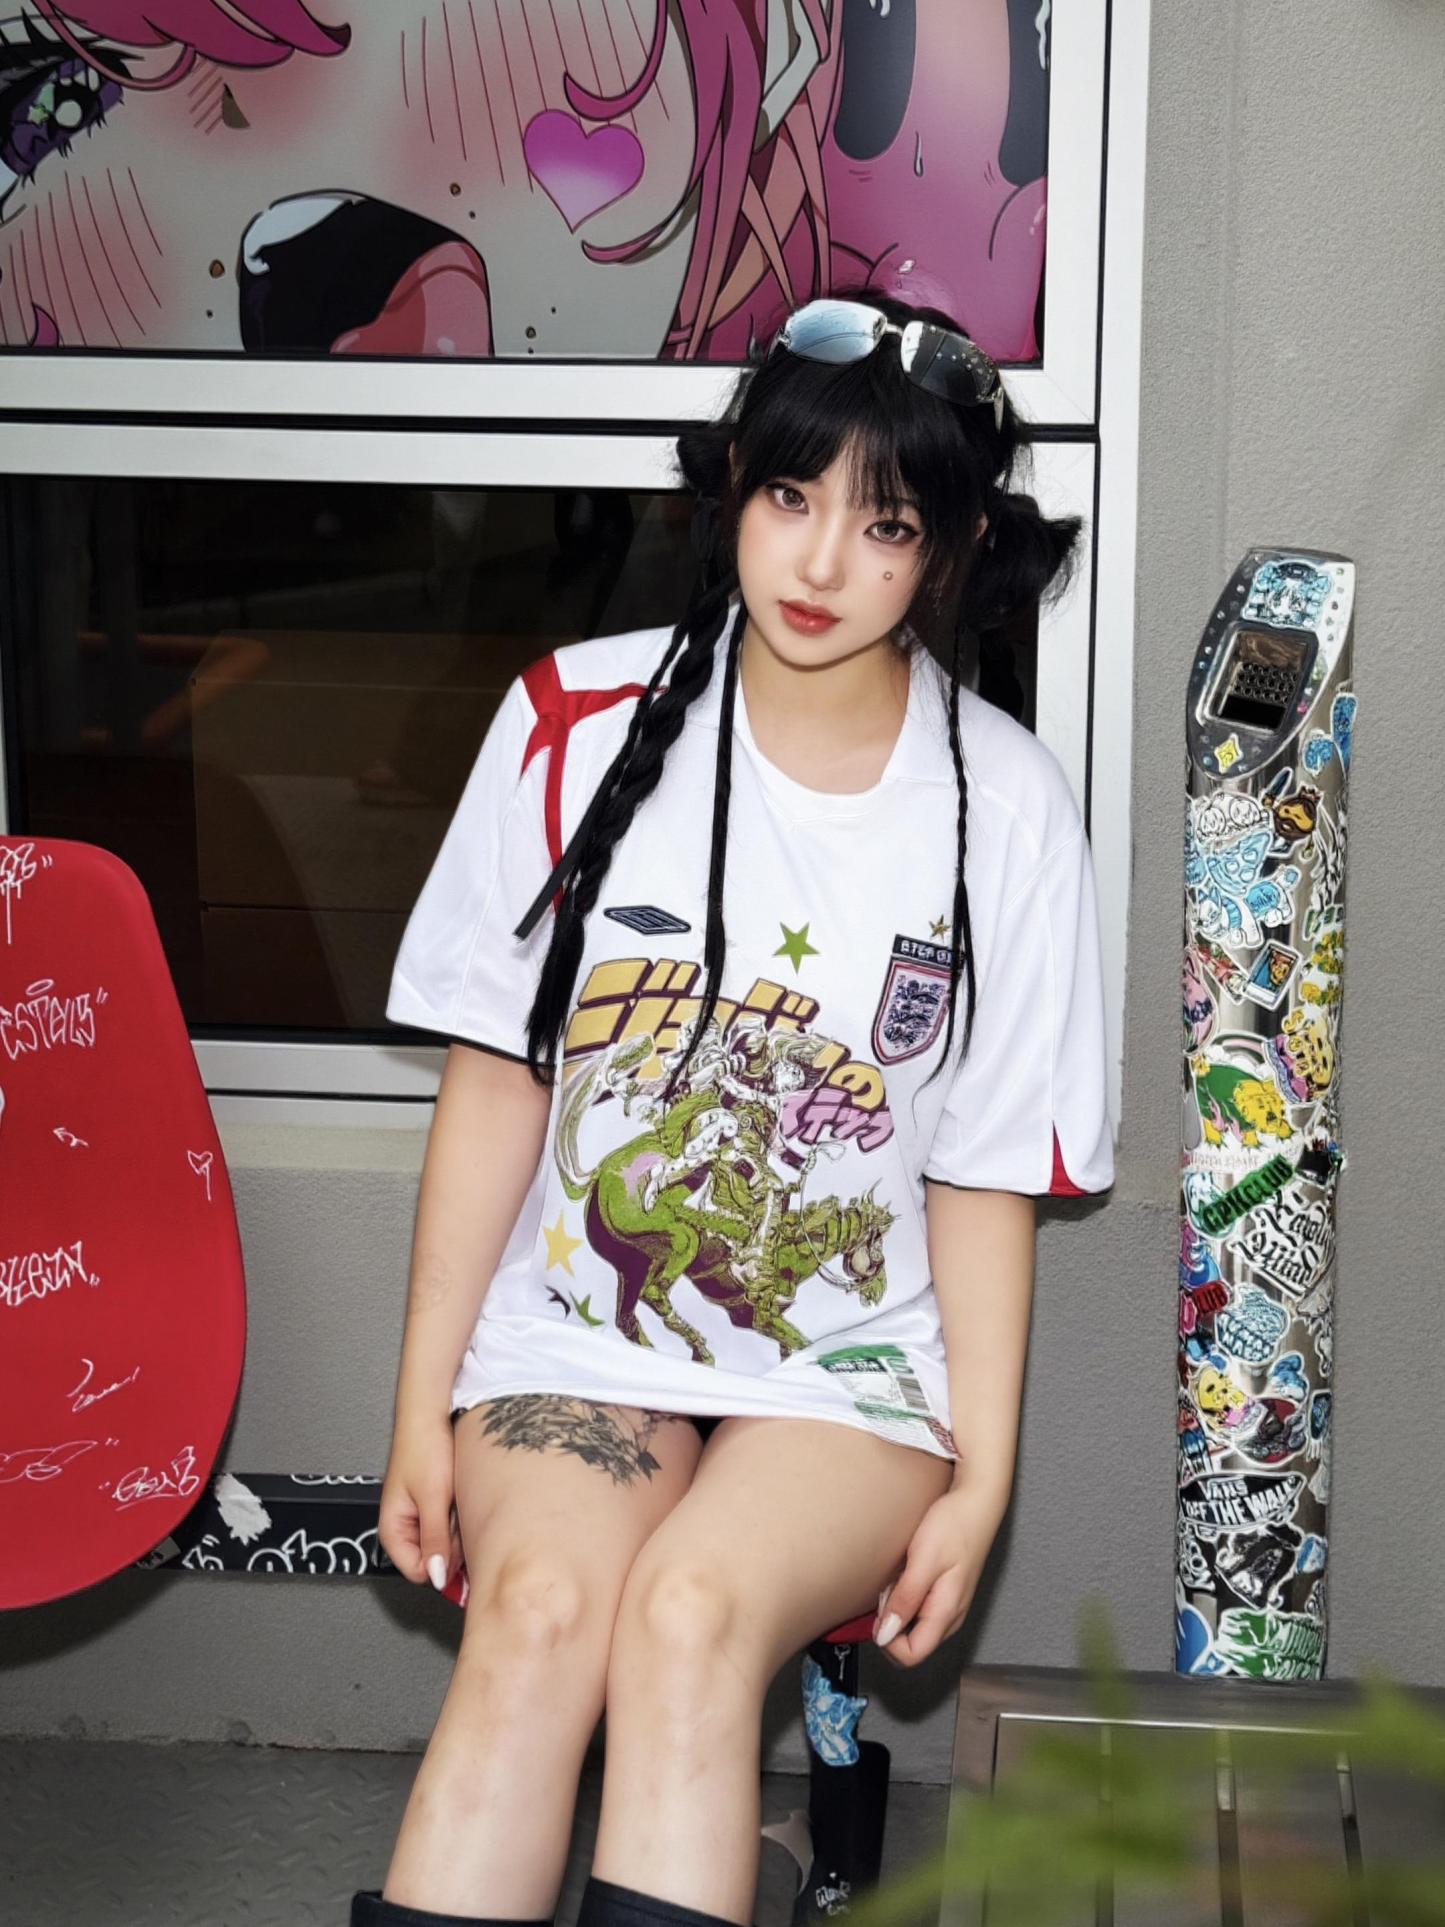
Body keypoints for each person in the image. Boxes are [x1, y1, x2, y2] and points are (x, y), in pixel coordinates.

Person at [356, 292, 1115, 1927]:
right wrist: (421, 1400)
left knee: (690, 1617)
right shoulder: (571, 723)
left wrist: (979, 1483)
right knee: (541, 1613)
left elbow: (983, 1179)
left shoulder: (1006, 808)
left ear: (953, 550)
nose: (820, 561)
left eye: (885, 524)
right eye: (787, 495)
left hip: (846, 1370)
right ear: (731, 494)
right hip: (576, 1339)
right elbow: (497, 1085)